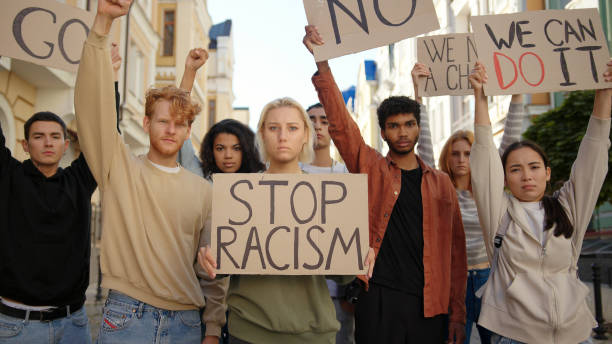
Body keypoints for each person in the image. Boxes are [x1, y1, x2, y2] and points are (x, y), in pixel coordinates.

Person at [74, 1, 228, 343]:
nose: (171, 130)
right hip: (127, 319)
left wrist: (213, 329)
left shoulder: (205, 191)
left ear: (189, 131)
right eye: (162, 121)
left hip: (187, 323)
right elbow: (91, 106)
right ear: (146, 123)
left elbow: (215, 274)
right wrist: (103, 23)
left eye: (179, 124)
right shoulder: (119, 167)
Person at [303, 26, 467, 344]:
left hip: (428, 305)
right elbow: (341, 125)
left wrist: (457, 314)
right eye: (394, 126)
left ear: (419, 128)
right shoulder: (372, 168)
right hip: (377, 299)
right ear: (384, 133)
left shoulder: (442, 184)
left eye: (409, 124)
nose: (402, 132)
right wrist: (322, 63)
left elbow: (456, 252)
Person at [468, 60, 612, 344]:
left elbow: (593, 156)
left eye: (534, 167)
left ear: (547, 173)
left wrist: (604, 94)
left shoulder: (569, 207)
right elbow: (484, 158)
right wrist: (480, 98)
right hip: (515, 336)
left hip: (575, 333)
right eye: (515, 169)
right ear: (505, 178)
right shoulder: (499, 212)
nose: (526, 176)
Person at [199, 97, 355, 343]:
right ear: (261, 134)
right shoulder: (238, 194)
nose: (283, 136)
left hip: (313, 334)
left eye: (292, 128)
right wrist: (209, 261)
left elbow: (345, 276)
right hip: (249, 332)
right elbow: (219, 268)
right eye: (274, 128)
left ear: (306, 135)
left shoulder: (329, 194)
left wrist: (358, 253)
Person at [0, 44, 124, 343]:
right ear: (25, 144)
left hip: (74, 325)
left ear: (66, 144)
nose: (47, 143)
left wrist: (110, 79)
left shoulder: (79, 180)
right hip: (17, 326)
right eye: (38, 136)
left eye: (55, 136)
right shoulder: (8, 176)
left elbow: (104, 132)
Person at [411, 62, 525, 344]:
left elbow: (509, 139)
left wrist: (518, 95)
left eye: (468, 153)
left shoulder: (489, 190)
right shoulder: (439, 189)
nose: (462, 159)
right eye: (456, 154)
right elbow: (424, 147)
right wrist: (418, 95)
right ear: (447, 158)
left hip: (491, 278)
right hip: (453, 283)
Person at [301, 102, 354, 344]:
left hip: (337, 291)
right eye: (311, 120)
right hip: (296, 289)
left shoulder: (348, 175)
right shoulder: (288, 174)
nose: (318, 127)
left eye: (325, 121)